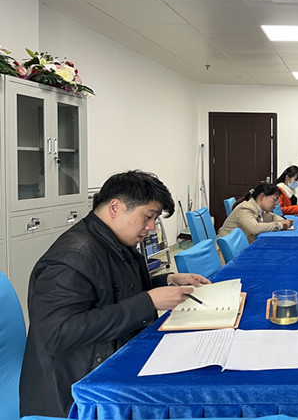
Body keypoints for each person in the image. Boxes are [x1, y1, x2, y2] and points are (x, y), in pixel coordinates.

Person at [19, 170, 212, 417]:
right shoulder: (71, 258)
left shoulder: (116, 241)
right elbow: (58, 334)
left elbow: (115, 292)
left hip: (112, 359)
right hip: (76, 394)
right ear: (115, 207)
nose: (151, 227)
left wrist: (167, 280)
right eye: (148, 216)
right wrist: (148, 302)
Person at [218, 183, 293, 244]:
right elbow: (255, 228)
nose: (276, 203)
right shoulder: (245, 209)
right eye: (275, 199)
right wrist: (280, 225)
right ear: (262, 196)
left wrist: (282, 221)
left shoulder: (260, 209)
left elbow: (272, 216)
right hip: (225, 254)